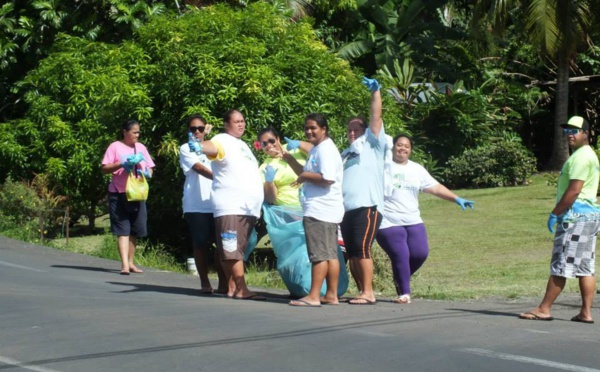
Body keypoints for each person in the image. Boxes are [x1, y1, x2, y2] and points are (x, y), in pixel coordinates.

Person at [519, 116, 600, 323]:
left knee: (561, 264)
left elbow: (574, 191)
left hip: (575, 218)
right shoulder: (588, 155)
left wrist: (556, 213)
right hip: (589, 217)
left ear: (586, 133)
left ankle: (544, 309)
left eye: (574, 131)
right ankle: (586, 312)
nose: (569, 135)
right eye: (567, 131)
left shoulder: (581, 157)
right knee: (585, 267)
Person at [376, 134, 474, 304]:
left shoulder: (416, 169)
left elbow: (435, 187)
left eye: (406, 146)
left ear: (411, 150)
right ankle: (404, 293)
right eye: (399, 145)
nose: (403, 148)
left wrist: (456, 199)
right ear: (393, 147)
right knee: (401, 254)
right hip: (387, 221)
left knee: (420, 253)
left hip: (413, 219)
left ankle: (401, 277)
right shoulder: (382, 166)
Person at [192, 109, 266, 300]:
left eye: (243, 120)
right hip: (231, 206)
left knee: (234, 249)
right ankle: (242, 288)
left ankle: (233, 287)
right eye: (236, 121)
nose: (241, 124)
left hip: (246, 209)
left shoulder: (241, 145)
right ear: (226, 124)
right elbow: (211, 148)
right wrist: (200, 145)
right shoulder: (222, 139)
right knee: (232, 249)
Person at [340, 77, 387, 305]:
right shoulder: (345, 154)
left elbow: (375, 117)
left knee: (362, 248)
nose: (351, 133)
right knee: (352, 251)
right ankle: (361, 290)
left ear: (365, 131)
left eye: (356, 129)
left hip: (367, 206)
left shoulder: (372, 144)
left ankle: (369, 292)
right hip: (346, 210)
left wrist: (375, 93)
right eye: (349, 129)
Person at [289, 113, 344, 307]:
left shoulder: (325, 150)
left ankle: (313, 296)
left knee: (319, 254)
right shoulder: (319, 149)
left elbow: (327, 178)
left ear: (324, 129)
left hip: (321, 209)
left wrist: (304, 176)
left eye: (313, 128)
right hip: (327, 209)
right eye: (307, 128)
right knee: (330, 254)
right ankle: (331, 294)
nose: (309, 131)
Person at [179, 114, 227, 294]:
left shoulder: (214, 147)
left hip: (217, 203)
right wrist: (224, 179)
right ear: (188, 131)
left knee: (222, 244)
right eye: (193, 129)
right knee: (200, 243)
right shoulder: (186, 148)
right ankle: (204, 281)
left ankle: (223, 282)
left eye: (200, 128)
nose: (197, 132)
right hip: (196, 204)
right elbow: (198, 168)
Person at [101, 119, 155, 275]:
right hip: (118, 192)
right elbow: (104, 169)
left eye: (138, 132)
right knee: (122, 229)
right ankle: (124, 264)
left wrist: (147, 173)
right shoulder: (115, 147)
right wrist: (121, 163)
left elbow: (150, 168)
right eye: (134, 132)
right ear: (125, 132)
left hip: (137, 194)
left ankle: (131, 262)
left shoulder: (141, 148)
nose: (137, 135)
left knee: (135, 230)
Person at [257, 127, 308, 207]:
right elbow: (270, 199)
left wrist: (299, 143)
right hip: (290, 211)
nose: (269, 145)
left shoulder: (291, 148)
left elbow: (317, 152)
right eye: (264, 144)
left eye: (271, 141)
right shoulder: (264, 168)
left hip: (314, 202)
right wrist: (269, 182)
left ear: (278, 138)